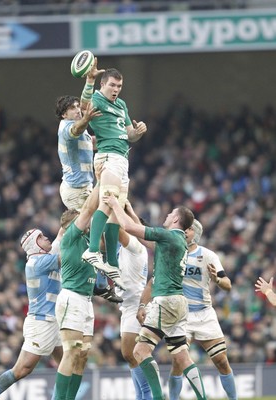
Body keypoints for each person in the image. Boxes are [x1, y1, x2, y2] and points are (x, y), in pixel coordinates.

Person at [103, 194, 207, 400]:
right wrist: (131, 211)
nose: (167, 216)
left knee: (140, 352)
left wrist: (115, 205)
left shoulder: (168, 236)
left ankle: (158, 398)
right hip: (179, 303)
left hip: (165, 301)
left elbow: (131, 229)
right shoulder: (176, 243)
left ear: (176, 220)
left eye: (170, 214)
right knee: (182, 357)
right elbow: (144, 239)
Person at [80, 62, 147, 290]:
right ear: (103, 84)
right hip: (107, 156)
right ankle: (91, 251)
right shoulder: (97, 99)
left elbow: (128, 134)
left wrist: (137, 132)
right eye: (112, 85)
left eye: (119, 85)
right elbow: (83, 107)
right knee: (107, 202)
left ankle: (112, 263)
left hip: (122, 159)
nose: (116, 89)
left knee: (116, 215)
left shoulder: (121, 105)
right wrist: (88, 81)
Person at [0, 227, 65, 400]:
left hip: (54, 321)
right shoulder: (38, 262)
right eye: (40, 237)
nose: (46, 237)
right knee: (21, 370)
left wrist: (79, 210)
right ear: (34, 245)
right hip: (42, 323)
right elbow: (68, 256)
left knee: (68, 364)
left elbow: (63, 232)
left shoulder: (44, 258)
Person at [55, 91, 122, 304]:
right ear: (64, 114)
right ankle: (99, 285)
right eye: (73, 108)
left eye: (78, 106)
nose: (77, 109)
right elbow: (77, 129)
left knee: (89, 232)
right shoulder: (67, 128)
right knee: (92, 234)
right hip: (76, 190)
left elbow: (88, 141)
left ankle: (97, 282)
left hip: (83, 187)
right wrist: (85, 118)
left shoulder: (81, 130)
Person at [168, 219, 237, 400]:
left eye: (188, 229)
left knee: (221, 361)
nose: (184, 232)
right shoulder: (173, 253)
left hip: (204, 314)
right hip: (181, 315)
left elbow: (227, 284)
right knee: (177, 361)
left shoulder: (208, 255)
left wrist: (217, 280)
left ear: (195, 233)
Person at [54, 182, 100, 400]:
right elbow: (90, 210)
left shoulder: (88, 239)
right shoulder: (71, 236)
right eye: (81, 220)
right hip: (72, 297)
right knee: (71, 351)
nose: (87, 222)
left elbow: (99, 216)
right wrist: (102, 182)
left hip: (86, 300)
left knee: (82, 355)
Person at [116, 201, 152, 400]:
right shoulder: (126, 249)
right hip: (127, 306)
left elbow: (117, 229)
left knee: (131, 354)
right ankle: (143, 396)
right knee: (131, 357)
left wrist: (111, 206)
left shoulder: (135, 244)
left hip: (135, 306)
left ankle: (149, 394)